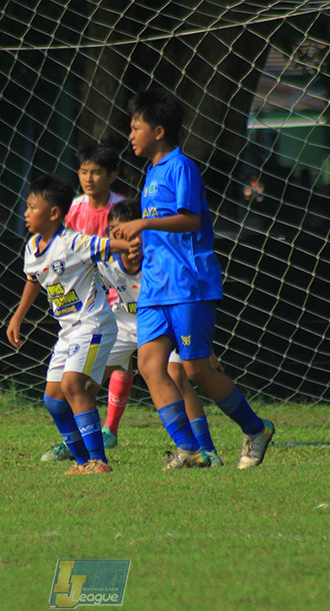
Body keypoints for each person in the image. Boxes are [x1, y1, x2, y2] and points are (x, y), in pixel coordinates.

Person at [119, 87, 274, 471]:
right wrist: (138, 242)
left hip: (188, 284)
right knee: (149, 365)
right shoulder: (151, 173)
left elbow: (190, 220)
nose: (130, 135)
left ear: (158, 131)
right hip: (155, 287)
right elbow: (160, 229)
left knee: (195, 369)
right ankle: (189, 448)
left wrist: (143, 224)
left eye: (136, 128)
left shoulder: (181, 167)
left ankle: (256, 429)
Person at [6, 174, 132, 475]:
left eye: (32, 207)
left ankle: (99, 461)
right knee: (53, 400)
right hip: (68, 331)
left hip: (93, 323)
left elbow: (112, 245)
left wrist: (133, 238)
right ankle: (82, 462)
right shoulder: (32, 246)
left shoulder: (74, 242)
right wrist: (18, 316)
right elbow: (34, 279)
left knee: (73, 385)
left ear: (53, 213)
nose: (26, 213)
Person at [98, 199, 227, 467]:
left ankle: (206, 449)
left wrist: (207, 349)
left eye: (132, 233)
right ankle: (82, 448)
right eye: (118, 233)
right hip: (126, 324)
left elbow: (186, 309)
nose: (127, 241)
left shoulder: (160, 264)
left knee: (177, 376)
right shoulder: (104, 264)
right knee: (85, 379)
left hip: (165, 326)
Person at [41, 141, 132, 461]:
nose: (88, 178)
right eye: (83, 172)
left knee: (154, 369)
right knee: (82, 383)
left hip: (122, 299)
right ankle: (84, 441)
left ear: (112, 176)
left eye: (96, 172)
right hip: (89, 302)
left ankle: (106, 432)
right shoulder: (73, 210)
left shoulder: (124, 209)